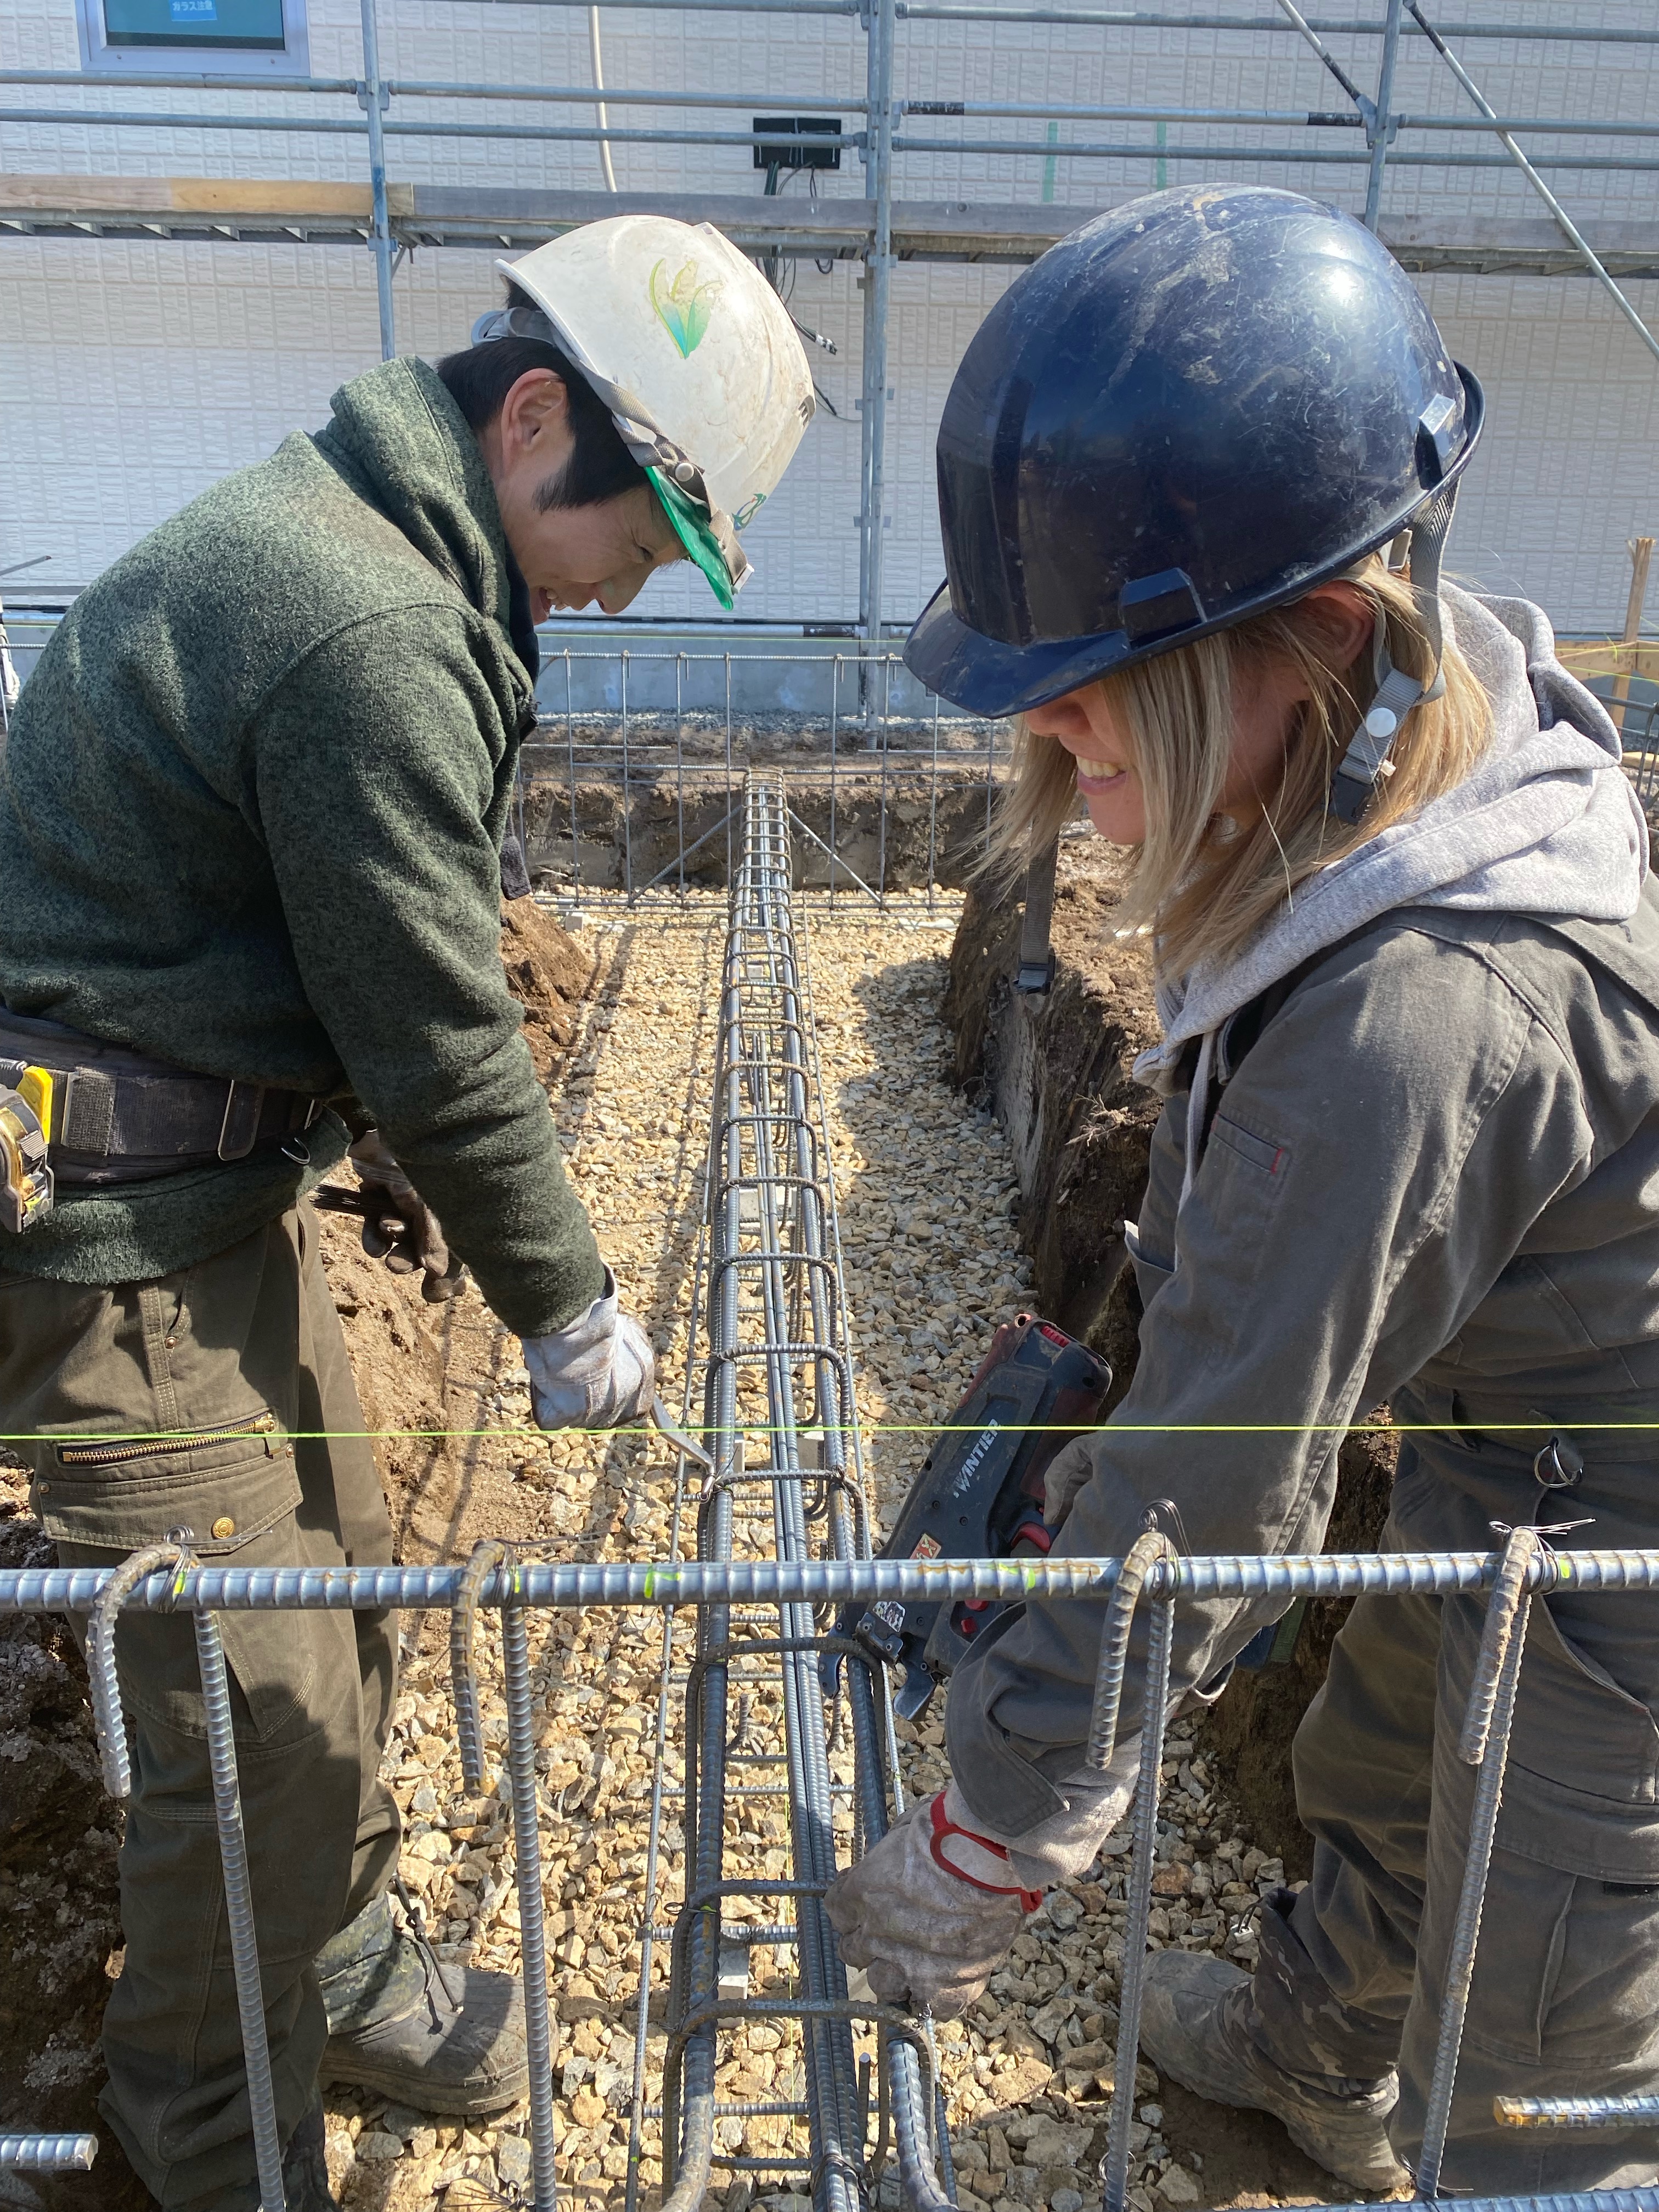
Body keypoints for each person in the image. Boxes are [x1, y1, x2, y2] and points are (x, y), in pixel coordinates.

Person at [826, 183, 1659, 2195]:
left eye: (1099, 673)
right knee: (1379, 1768)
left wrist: (1000, 1820)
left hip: (1631, 1536)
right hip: (1512, 1442)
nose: (1040, 719)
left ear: (1328, 634)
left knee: (1549, 2007)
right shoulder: (1420, 754)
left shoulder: (1415, 1011)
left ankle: (1519, 2161)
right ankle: (1313, 2060)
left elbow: (1217, 1475)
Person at [0, 214, 811, 2211]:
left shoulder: (380, 553)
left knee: (347, 1570)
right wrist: (566, 1302)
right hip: (111, 1233)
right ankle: (208, 2144)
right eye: (643, 535)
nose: (631, 583)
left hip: (213, 1184)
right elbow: (438, 1029)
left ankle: (339, 1960)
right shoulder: (366, 622)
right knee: (251, 1714)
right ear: (533, 419)